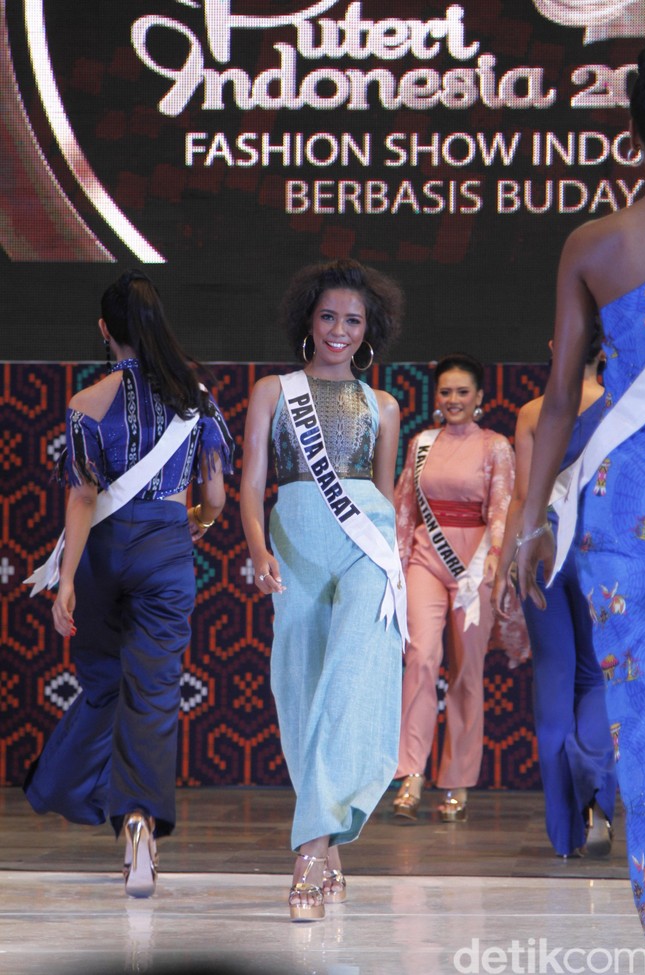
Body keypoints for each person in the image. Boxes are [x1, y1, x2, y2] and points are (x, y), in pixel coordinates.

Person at [23, 270, 234, 898]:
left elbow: (83, 497)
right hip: (167, 548)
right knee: (153, 691)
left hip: (99, 559)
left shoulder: (86, 403)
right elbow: (216, 494)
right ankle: (138, 820)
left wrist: (65, 581)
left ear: (104, 330)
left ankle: (63, 786)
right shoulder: (196, 396)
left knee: (103, 686)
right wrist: (192, 520)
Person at [515, 45, 645, 943]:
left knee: (639, 700)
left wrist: (528, 524)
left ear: (634, 130)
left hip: (622, 495)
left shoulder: (595, 244)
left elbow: (561, 398)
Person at [240, 258, 406, 921]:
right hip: (296, 543)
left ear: (370, 331)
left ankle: (308, 850)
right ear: (308, 320)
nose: (340, 330)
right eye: (330, 316)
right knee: (301, 691)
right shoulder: (273, 391)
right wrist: (255, 547)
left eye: (353, 320)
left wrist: (394, 558)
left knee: (347, 681)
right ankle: (331, 840)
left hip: (368, 546)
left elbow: (386, 495)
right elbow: (253, 486)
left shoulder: (384, 405)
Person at [492, 322, 616, 858]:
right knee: (598, 677)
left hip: (541, 556)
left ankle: (564, 834)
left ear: (556, 346)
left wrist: (502, 568)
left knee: (553, 685)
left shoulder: (533, 413)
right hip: (603, 557)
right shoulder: (626, 407)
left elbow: (523, 499)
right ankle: (594, 791)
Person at [392, 353, 519, 824]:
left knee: (467, 670)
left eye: (463, 392)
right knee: (421, 658)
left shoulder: (496, 446)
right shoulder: (422, 443)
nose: (453, 400)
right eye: (446, 391)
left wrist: (494, 562)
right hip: (425, 560)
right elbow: (405, 504)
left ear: (480, 397)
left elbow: (504, 508)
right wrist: (397, 564)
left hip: (474, 569)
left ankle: (458, 780)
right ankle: (411, 774)